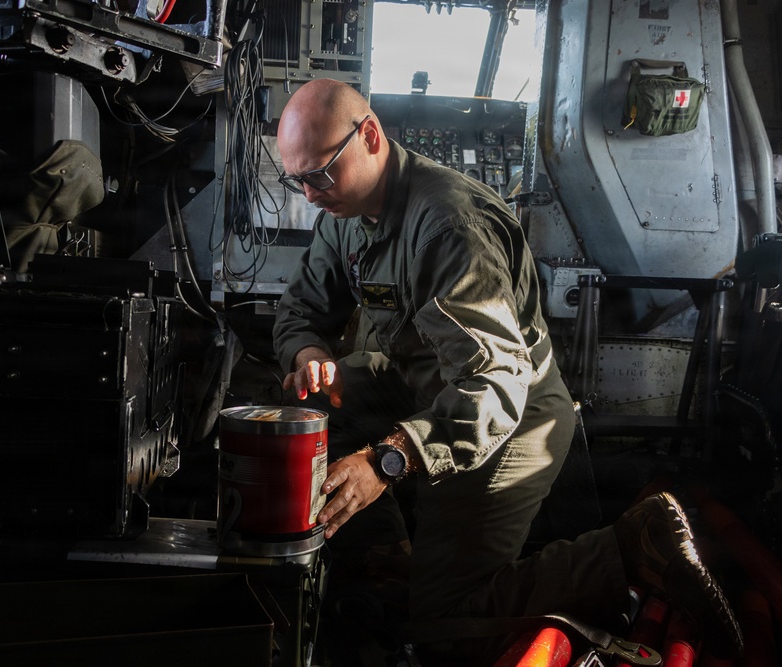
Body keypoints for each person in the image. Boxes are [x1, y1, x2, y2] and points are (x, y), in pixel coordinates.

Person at [271, 78, 742, 664]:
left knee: (443, 623)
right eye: (298, 180)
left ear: (369, 136)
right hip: (426, 387)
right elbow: (299, 311)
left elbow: (493, 387)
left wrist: (386, 461)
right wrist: (308, 355)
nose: (310, 195)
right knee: (302, 415)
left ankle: (629, 546)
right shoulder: (344, 212)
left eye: (320, 175)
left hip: (505, 416)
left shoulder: (448, 226)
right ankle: (388, 566)